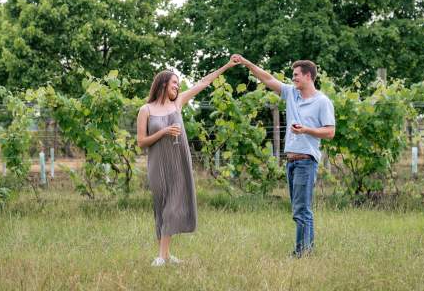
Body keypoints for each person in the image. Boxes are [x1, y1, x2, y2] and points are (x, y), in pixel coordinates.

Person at [136, 57, 239, 267]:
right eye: (175, 83)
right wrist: (164, 131)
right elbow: (141, 142)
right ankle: (164, 255)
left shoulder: (178, 104)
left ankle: (163, 256)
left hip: (179, 164)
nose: (178, 86)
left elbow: (203, 83)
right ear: (163, 84)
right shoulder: (145, 110)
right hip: (157, 166)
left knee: (173, 207)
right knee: (162, 207)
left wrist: (227, 66)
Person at [232, 55, 335, 257]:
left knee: (302, 210)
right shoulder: (291, 94)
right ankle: (305, 250)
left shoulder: (322, 101)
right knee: (299, 209)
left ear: (308, 76)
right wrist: (246, 62)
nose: (293, 78)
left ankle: (302, 253)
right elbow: (268, 79)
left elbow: (330, 132)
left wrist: (305, 129)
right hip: (291, 162)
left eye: (296, 75)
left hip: (306, 161)